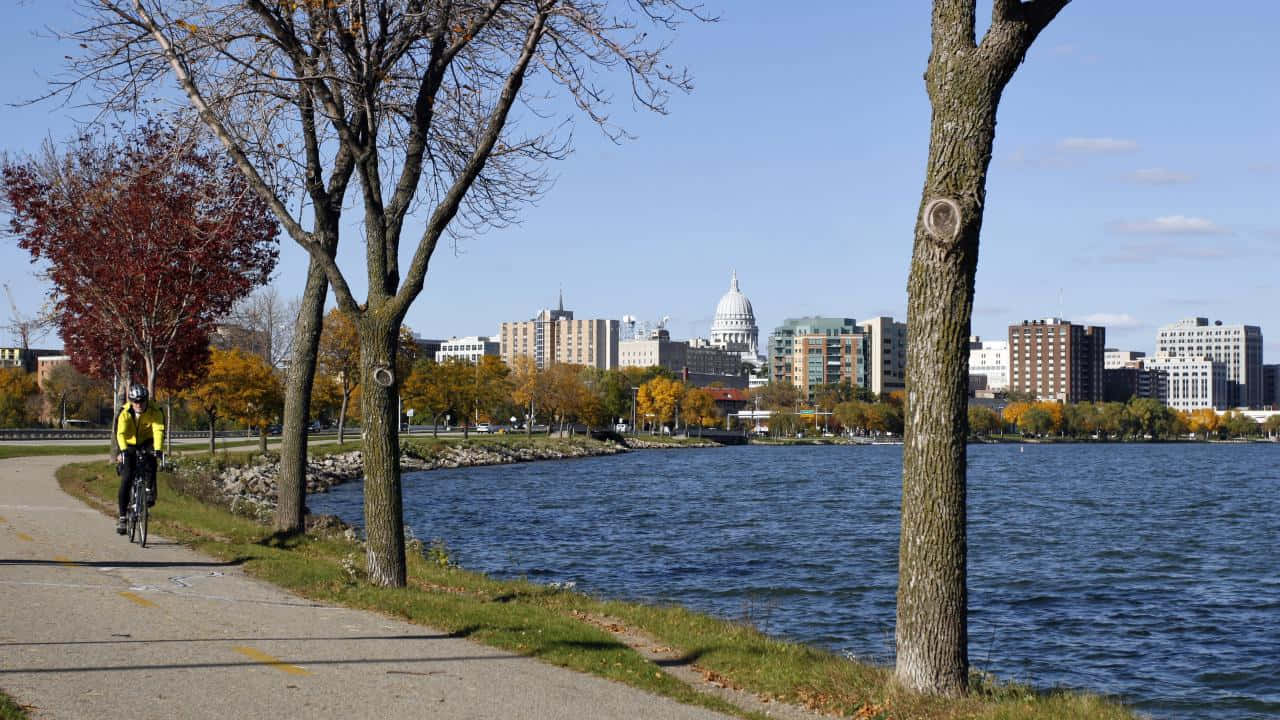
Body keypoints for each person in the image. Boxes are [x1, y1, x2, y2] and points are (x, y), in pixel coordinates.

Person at [114, 384, 165, 534]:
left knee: (151, 461)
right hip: (128, 444)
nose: (139, 404)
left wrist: (158, 449)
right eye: (135, 401)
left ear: (146, 400)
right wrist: (122, 452)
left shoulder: (155, 410)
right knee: (127, 478)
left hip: (147, 441)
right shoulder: (124, 412)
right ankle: (123, 517)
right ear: (131, 401)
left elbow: (158, 430)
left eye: (142, 401)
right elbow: (120, 433)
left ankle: (149, 490)